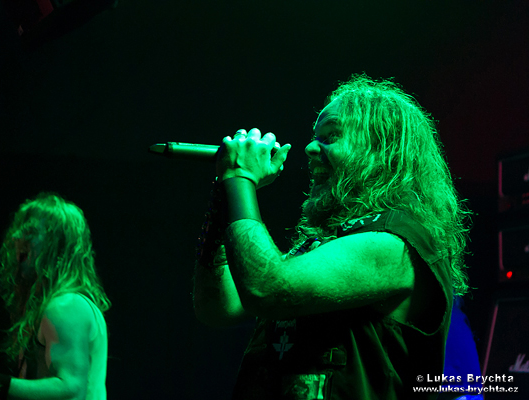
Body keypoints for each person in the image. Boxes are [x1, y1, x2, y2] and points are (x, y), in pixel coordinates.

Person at [193, 74, 471, 399]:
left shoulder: (394, 244)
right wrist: (224, 195)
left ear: (379, 149)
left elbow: (265, 288)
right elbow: (218, 308)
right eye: (316, 137)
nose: (310, 148)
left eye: (330, 136)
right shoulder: (326, 243)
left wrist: (240, 177)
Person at [0, 193, 110, 400]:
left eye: (30, 231)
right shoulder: (64, 306)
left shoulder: (66, 306)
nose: (16, 237)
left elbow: (72, 389)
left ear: (56, 245)